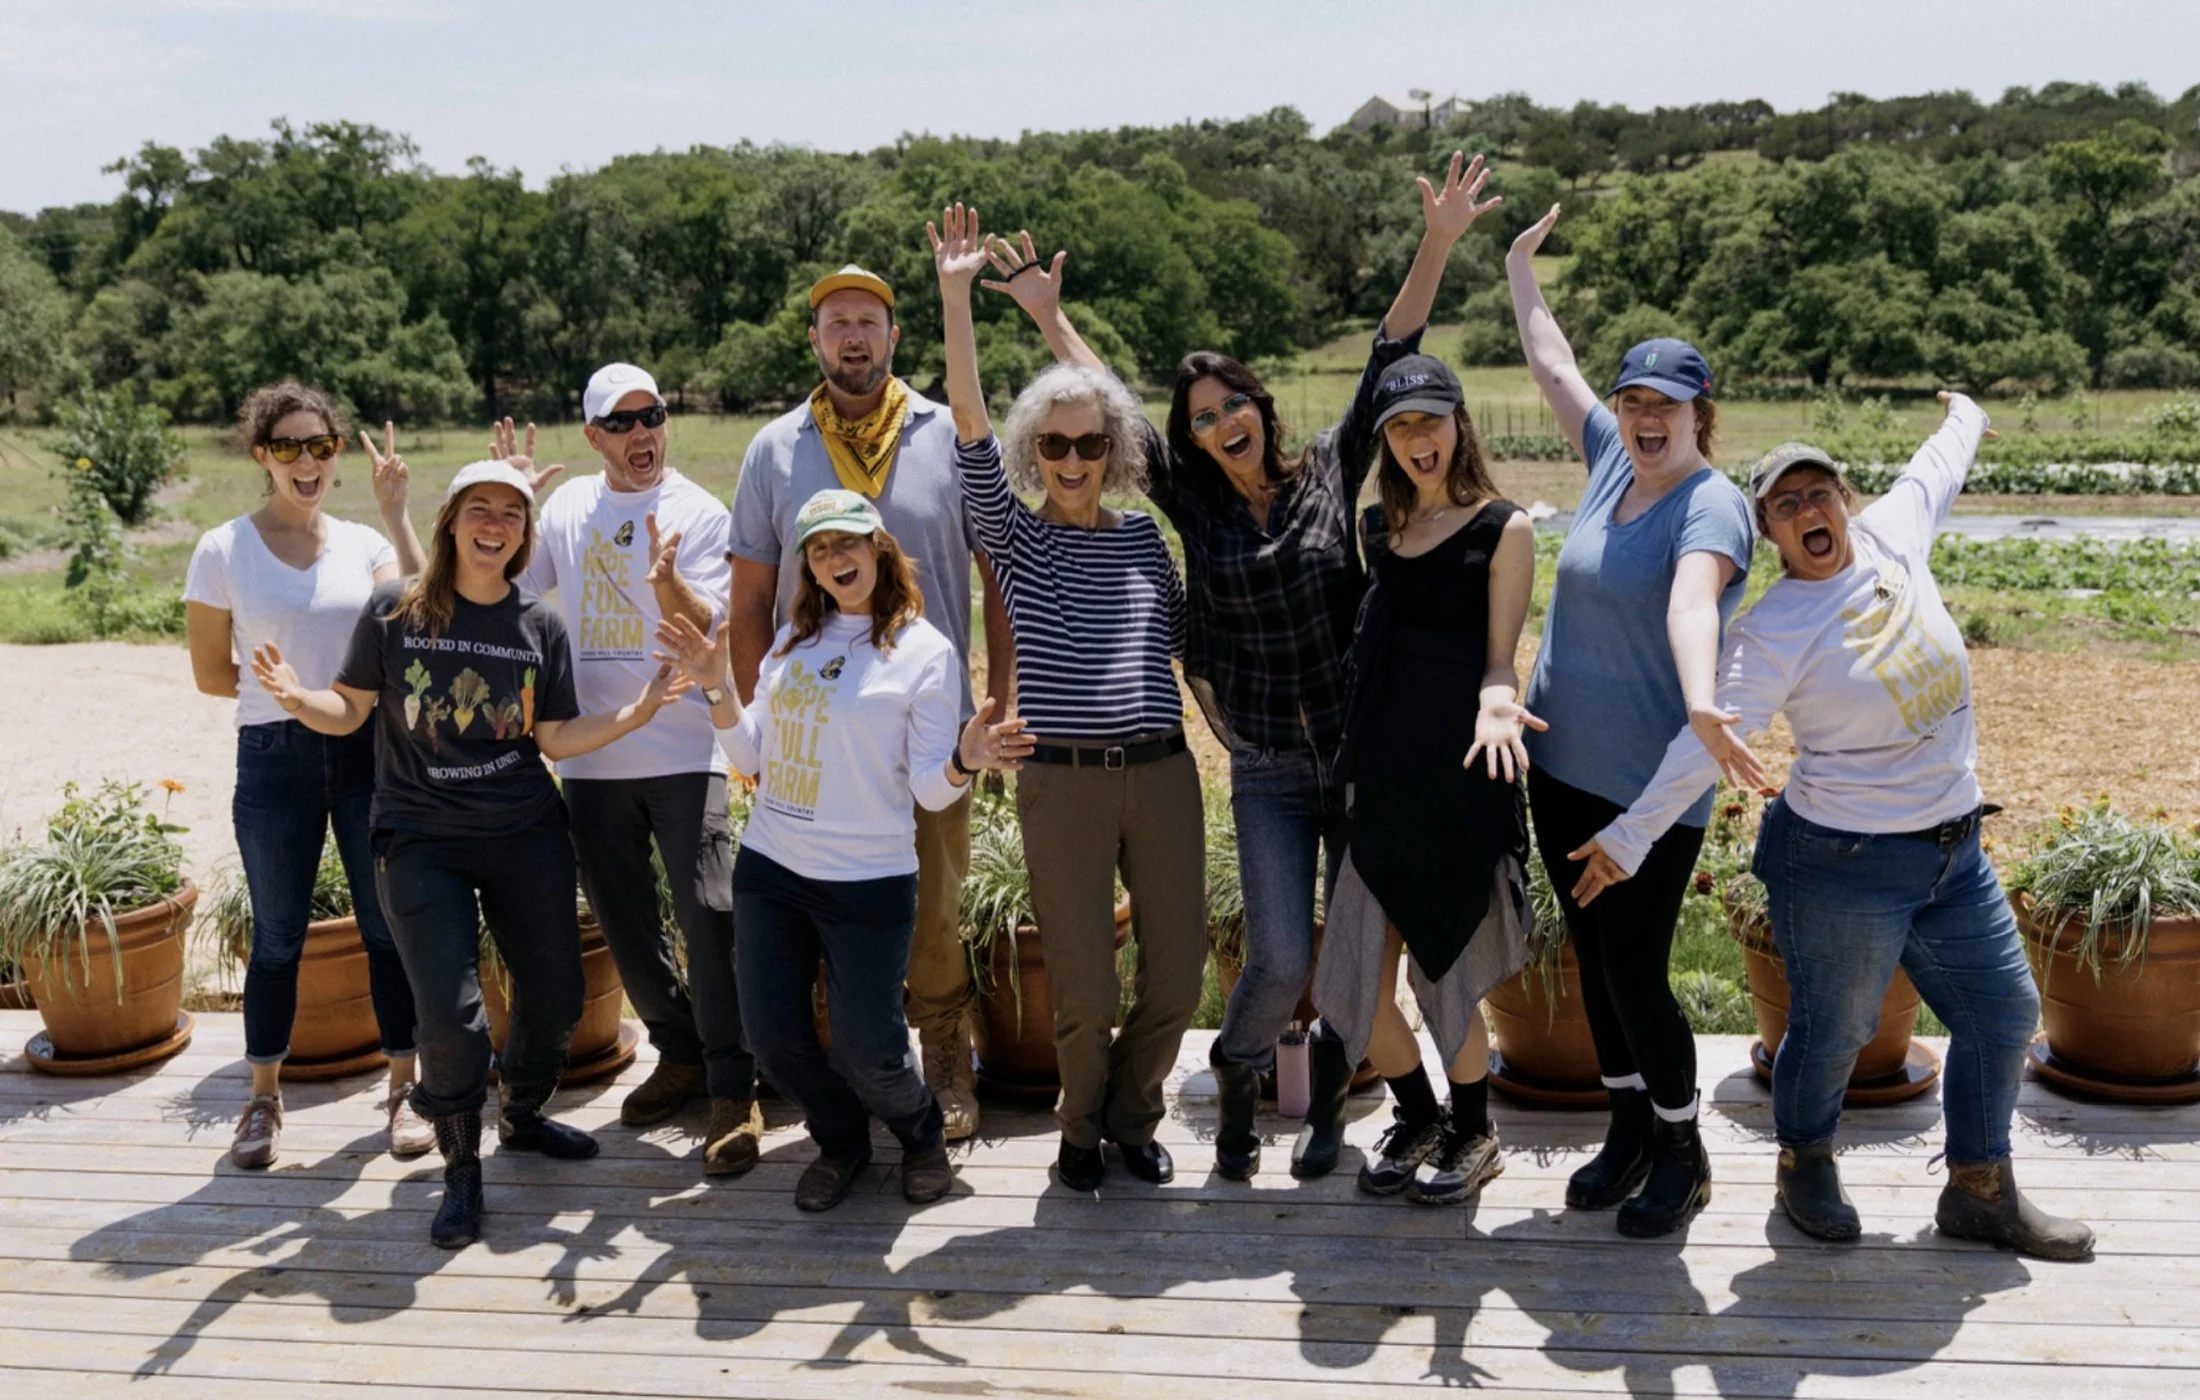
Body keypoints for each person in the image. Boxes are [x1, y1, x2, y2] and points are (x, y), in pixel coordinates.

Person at [987, 152, 1504, 1181]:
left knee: (1374, 947)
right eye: (1202, 418)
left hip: (1362, 760)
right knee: (1278, 956)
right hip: (1268, 769)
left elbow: (1388, 353)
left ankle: (1432, 1114)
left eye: (1233, 405)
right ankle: (1240, 1076)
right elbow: (1111, 409)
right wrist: (1049, 319)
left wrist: (1437, 242)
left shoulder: (1325, 473)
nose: (1221, 423)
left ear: (1261, 407)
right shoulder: (1196, 503)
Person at [1568, 395, 2094, 1261]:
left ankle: (1979, 1189)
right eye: (1785, 505)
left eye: (1819, 494)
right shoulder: (1772, 632)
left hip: (1952, 849)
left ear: (1844, 499)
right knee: (1833, 1029)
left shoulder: (1890, 537)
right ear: (1769, 531)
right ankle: (1804, 1158)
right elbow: (1707, 744)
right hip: (1841, 860)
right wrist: (1629, 838)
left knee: (2004, 1013)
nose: (1809, 513)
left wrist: (1966, 414)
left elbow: (1936, 469)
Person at [250, 461, 691, 1250]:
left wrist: (638, 711)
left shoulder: (539, 624)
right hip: (420, 839)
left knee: (556, 997)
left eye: (513, 514)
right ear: (451, 520)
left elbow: (553, 737)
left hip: (524, 832)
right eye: (480, 509)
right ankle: (462, 1170)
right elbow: (347, 711)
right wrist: (296, 700)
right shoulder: (395, 611)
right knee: (451, 1022)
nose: (496, 524)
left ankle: (520, 1114)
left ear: (524, 536)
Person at [656, 490, 1033, 1211]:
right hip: (773, 867)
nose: (836, 558)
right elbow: (752, 754)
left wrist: (965, 756)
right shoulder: (794, 642)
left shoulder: (923, 650)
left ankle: (920, 1134)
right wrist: (714, 687)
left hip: (867, 880)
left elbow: (930, 793)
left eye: (848, 543)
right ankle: (841, 1141)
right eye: (820, 549)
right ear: (811, 566)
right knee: (772, 1036)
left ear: (878, 548)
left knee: (872, 1050)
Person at [933, 204, 1203, 1192]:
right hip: (1065, 783)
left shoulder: (1141, 540)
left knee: (1178, 974)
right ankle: (1082, 1131)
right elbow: (966, 416)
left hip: (1163, 774)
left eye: (1090, 445)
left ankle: (1135, 1113)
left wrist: (1055, 320)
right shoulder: (1014, 533)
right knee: (1085, 991)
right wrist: (957, 297)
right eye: (1055, 447)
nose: (1077, 461)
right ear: (1031, 455)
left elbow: (1119, 405)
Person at [1505, 203, 1755, 1238]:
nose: (1646, 416)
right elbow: (1551, 361)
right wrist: (1518, 267)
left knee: (1635, 968)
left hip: (1651, 789)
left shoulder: (1712, 503)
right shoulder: (1610, 457)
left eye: (1669, 403)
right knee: (1587, 957)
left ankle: (1680, 1145)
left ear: (1702, 412)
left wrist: (1702, 697)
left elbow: (1694, 599)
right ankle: (1623, 1128)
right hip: (1560, 767)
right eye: (1633, 399)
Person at [728, 263, 1015, 1142]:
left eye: (868, 321)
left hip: (926, 714)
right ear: (814, 341)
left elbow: (995, 577)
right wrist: (754, 734)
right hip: (813, 720)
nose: (852, 336)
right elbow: (748, 603)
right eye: (835, 323)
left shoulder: (945, 433)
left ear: (895, 338)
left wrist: (997, 705)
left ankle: (941, 1056)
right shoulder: (775, 447)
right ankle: (843, 1072)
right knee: (813, 897)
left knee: (931, 902)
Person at [493, 363, 760, 1175]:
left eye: (654, 416)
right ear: (593, 437)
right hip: (595, 754)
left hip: (687, 749)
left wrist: (667, 579)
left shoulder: (698, 512)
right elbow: (511, 594)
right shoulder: (569, 507)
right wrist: (509, 503)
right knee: (625, 928)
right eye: (624, 422)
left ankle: (731, 1086)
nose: (643, 434)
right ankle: (676, 1054)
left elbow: (711, 623)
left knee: (708, 916)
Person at [1307, 353, 1541, 1206]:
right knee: (1356, 992)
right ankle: (1417, 1113)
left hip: (1458, 789)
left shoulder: (1502, 529)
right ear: (1386, 441)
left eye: (1430, 421)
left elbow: (1497, 663)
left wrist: (1496, 704)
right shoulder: (1380, 531)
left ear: (1459, 422)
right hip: (1380, 786)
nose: (1417, 440)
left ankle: (1475, 1132)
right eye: (1401, 427)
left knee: (1444, 981)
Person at [184, 382, 428, 1170]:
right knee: (280, 937)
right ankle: (262, 1101)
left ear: (334, 454)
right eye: (286, 447)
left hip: (365, 752)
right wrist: (287, 698)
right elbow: (211, 674)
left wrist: (397, 513)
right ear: (262, 456)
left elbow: (426, 614)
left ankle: (403, 1088)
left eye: (318, 446)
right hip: (274, 757)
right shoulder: (223, 549)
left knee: (386, 929)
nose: (306, 461)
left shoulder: (364, 544)